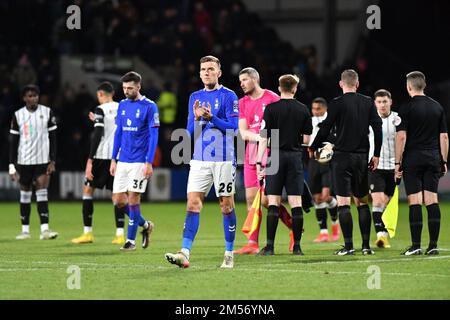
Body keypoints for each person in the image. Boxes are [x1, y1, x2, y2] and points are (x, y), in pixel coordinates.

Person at [165, 55, 239, 268]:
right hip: (199, 159)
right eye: (204, 69)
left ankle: (229, 253)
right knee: (193, 204)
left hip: (224, 159)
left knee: (226, 206)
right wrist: (198, 119)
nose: (207, 72)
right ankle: (185, 253)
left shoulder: (229, 95)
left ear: (219, 72)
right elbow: (189, 133)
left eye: (211, 69)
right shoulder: (194, 97)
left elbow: (234, 129)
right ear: (199, 73)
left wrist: (211, 118)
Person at [310, 69, 382, 256]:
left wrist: (314, 146)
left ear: (341, 84)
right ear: (357, 84)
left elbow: (325, 129)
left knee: (343, 202)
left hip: (341, 157)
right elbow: (378, 128)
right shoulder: (367, 102)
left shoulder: (336, 103)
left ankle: (349, 246)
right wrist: (376, 155)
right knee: (362, 202)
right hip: (361, 157)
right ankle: (366, 246)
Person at [234, 67, 294, 255]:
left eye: (244, 79)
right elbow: (243, 132)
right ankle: (252, 243)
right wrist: (260, 137)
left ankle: (294, 227)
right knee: (251, 199)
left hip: (271, 153)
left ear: (255, 79)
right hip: (251, 153)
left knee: (268, 199)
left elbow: (283, 124)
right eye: (240, 80)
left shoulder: (272, 98)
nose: (242, 83)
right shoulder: (242, 102)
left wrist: (268, 140)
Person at [256, 74, 312, 256]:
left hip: (276, 157)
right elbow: (306, 138)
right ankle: (297, 247)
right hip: (295, 157)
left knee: (273, 202)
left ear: (279, 88)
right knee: (295, 202)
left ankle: (270, 247)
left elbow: (264, 138)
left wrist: (259, 161)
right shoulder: (303, 109)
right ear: (295, 88)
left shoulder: (271, 109)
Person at [395, 71, 448, 255]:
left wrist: (397, 162)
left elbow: (401, 137)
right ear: (423, 85)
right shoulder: (437, 107)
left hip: (413, 158)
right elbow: (444, 137)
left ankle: (416, 245)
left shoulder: (406, 108)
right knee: (432, 200)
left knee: (415, 201)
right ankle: (433, 246)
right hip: (433, 157)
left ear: (409, 86)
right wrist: (444, 160)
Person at [71, 82, 126, 245]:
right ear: (113, 93)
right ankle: (120, 234)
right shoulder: (122, 107)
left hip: (101, 156)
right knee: (117, 196)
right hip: (118, 157)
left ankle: (87, 233)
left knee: (88, 191)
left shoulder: (100, 109)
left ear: (100, 94)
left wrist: (90, 160)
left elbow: (98, 133)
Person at [110, 71, 159, 251]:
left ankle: (130, 241)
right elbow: (118, 133)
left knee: (133, 200)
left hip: (139, 160)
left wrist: (149, 162)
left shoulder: (150, 106)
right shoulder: (122, 105)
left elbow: (154, 136)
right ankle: (145, 225)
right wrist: (113, 159)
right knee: (118, 200)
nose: (126, 91)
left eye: (130, 88)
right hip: (123, 160)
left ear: (138, 86)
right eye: (124, 88)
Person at [9, 84, 58, 240]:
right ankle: (25, 231)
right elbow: (13, 141)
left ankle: (45, 230)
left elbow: (53, 138)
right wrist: (11, 164)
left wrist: (53, 160)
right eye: (30, 96)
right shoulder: (18, 115)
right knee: (25, 194)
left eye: (35, 95)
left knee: (42, 192)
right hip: (24, 160)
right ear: (24, 98)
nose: (33, 98)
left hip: (43, 159)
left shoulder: (47, 112)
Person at [368, 89, 400, 248]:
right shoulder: (369, 121)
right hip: (376, 167)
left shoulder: (398, 120)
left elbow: (404, 142)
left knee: (386, 202)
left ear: (390, 102)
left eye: (384, 101)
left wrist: (401, 164)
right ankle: (381, 236)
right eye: (379, 102)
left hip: (393, 167)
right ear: (375, 103)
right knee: (378, 200)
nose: (382, 105)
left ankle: (384, 232)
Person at [308, 97, 340, 243]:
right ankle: (323, 232)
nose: (315, 112)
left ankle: (335, 223)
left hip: (328, 162)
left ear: (325, 109)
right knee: (316, 198)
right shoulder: (309, 121)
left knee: (326, 196)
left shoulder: (332, 121)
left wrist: (330, 147)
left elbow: (337, 138)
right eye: (313, 109)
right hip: (313, 162)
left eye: (318, 109)